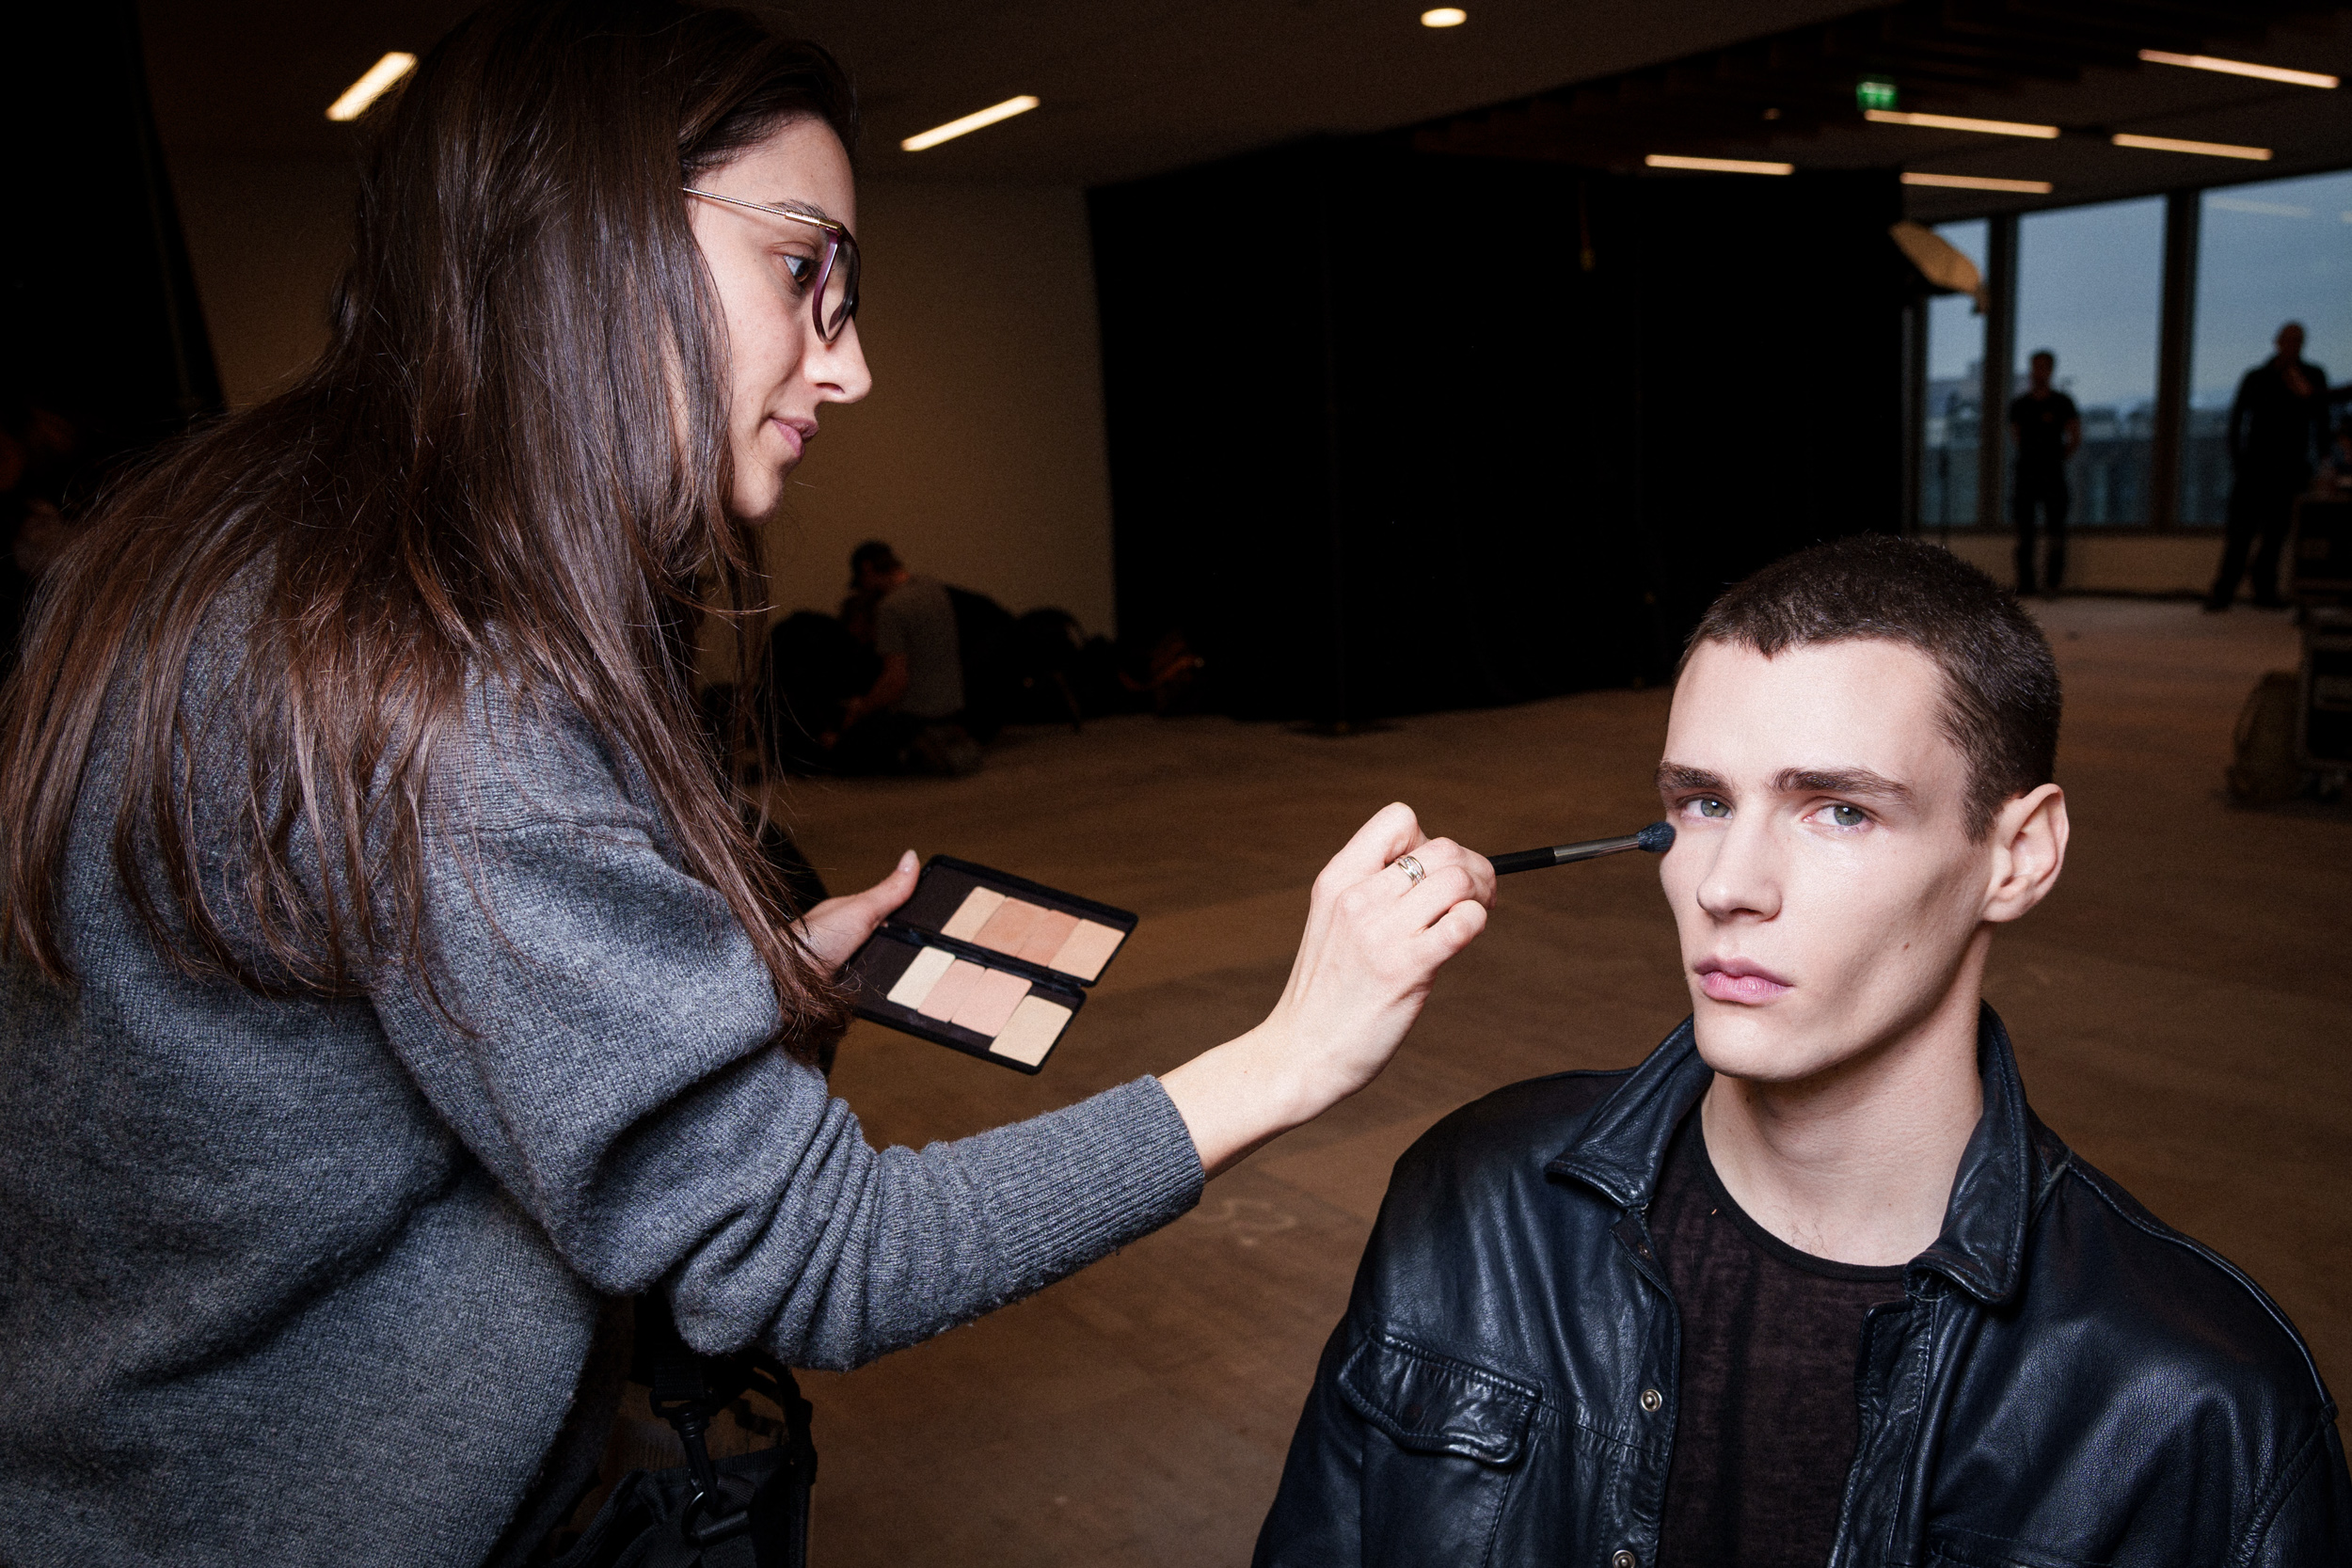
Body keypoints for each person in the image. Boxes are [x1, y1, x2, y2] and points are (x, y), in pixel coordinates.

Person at [0, 6, 1498, 1563]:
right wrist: (1292, 1053)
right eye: (806, 272)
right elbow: (824, 1257)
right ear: (591, 239)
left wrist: (700, 1013)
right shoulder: (448, 683)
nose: (849, 363)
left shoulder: (246, 550)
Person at [1254, 535, 2350, 1567]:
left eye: (1837, 811)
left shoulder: (2196, 1401)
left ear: (2017, 854)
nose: (1728, 883)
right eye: (1701, 800)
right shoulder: (1472, 1199)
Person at [2209, 322, 2331, 610]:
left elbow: (2322, 419)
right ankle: (2223, 590)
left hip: (2290, 466)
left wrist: (2324, 460)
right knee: (2240, 532)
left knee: (2276, 534)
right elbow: (2238, 419)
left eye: (2298, 340)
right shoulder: (2257, 378)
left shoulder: (2312, 377)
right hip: (2255, 466)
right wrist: (2238, 460)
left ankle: (2265, 590)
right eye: (2289, 340)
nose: (2294, 345)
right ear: (2277, 342)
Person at [826, 539, 975, 772]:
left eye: (862, 583)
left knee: (840, 751)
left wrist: (861, 708)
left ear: (867, 569)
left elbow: (896, 681)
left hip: (918, 715)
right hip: (952, 707)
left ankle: (912, 753)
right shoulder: (932, 587)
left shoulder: (890, 608)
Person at [2007, 349, 2078, 596]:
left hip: (2053, 475)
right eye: (2034, 366)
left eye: (2043, 367)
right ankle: (2026, 584)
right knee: (2024, 532)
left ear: (2050, 370)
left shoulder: (2062, 403)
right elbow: (2015, 435)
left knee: (2055, 531)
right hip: (2026, 474)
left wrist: (2057, 457)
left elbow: (2074, 435)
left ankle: (2052, 584)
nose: (2038, 372)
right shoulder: (2020, 405)